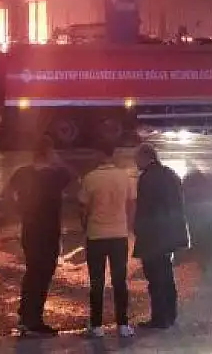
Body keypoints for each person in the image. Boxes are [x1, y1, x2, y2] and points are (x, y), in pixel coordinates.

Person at [5, 136, 75, 337]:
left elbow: (8, 194)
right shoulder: (55, 175)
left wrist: (21, 210)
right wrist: (57, 160)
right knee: (43, 274)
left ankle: (26, 315)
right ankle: (33, 319)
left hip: (30, 231)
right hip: (48, 232)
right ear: (49, 153)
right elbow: (72, 176)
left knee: (32, 272)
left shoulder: (22, 173)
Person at [78, 141, 137, 338]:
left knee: (97, 281)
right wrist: (126, 224)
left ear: (98, 155)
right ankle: (123, 324)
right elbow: (131, 204)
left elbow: (83, 208)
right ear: (113, 155)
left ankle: (96, 326)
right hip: (119, 235)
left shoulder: (90, 178)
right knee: (120, 281)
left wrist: (85, 225)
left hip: (96, 235)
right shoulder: (124, 177)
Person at [132, 144, 190, 329]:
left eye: (137, 159)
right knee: (166, 275)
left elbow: (144, 209)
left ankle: (159, 318)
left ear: (145, 157)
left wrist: (138, 230)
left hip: (153, 236)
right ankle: (170, 315)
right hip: (170, 234)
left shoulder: (147, 178)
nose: (135, 163)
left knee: (155, 278)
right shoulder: (170, 174)